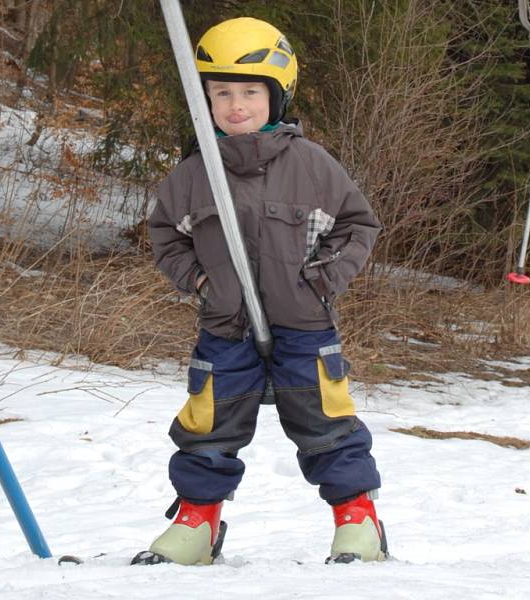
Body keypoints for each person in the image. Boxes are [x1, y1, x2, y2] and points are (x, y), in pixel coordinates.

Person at [135, 16, 386, 566]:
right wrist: (199, 281)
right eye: (221, 92)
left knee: (324, 423)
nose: (236, 105)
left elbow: (357, 226)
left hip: (303, 324)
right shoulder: (193, 174)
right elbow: (164, 236)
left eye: (250, 91)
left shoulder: (312, 165)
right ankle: (198, 524)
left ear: (279, 95)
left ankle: (356, 520)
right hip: (225, 328)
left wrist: (322, 278)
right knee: (209, 425)